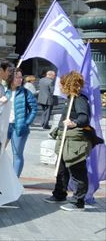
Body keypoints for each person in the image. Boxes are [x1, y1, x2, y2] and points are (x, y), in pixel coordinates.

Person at [44, 71, 102, 212]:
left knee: (77, 170)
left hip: (75, 141)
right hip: (67, 139)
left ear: (68, 84)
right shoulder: (70, 99)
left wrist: (74, 122)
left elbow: (84, 118)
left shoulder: (79, 99)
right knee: (62, 169)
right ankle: (59, 194)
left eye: (63, 83)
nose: (60, 85)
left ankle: (78, 201)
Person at [5, 68, 38, 177]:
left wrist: (26, 122)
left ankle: (15, 180)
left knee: (17, 154)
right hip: (4, 126)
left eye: (21, 77)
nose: (20, 79)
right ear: (10, 78)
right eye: (17, 77)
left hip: (19, 126)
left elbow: (34, 109)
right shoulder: (4, 91)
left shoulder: (25, 92)